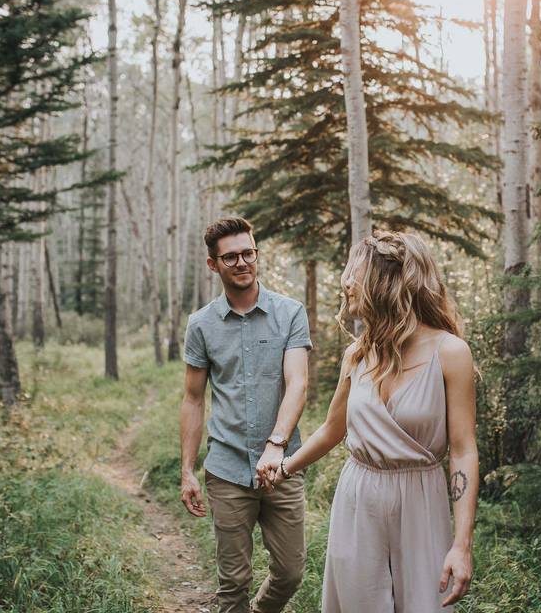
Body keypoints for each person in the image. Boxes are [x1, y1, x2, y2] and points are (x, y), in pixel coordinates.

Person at [261, 230, 479, 612]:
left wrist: (462, 545)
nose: (346, 285)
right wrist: (285, 467)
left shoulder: (451, 353)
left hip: (420, 500)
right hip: (358, 497)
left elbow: (463, 451)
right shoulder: (357, 355)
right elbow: (333, 429)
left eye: (355, 275)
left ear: (387, 284)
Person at [179, 216, 312, 613]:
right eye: (231, 257)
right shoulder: (201, 324)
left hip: (282, 466)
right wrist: (187, 470)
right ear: (213, 264)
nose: (241, 263)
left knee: (291, 571)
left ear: (257, 254)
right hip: (227, 468)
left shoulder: (290, 313)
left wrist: (277, 446)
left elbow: (298, 384)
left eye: (248, 253)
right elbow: (192, 399)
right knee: (233, 580)